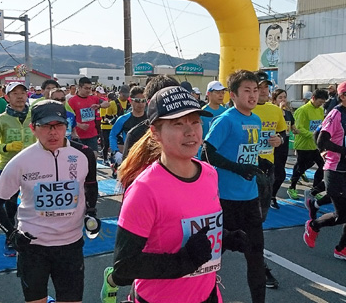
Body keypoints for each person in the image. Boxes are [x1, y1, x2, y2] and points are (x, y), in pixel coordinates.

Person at [101, 86, 244, 303]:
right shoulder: (144, 189)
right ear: (155, 133)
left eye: (195, 121)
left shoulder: (209, 173)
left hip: (208, 295)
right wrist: (183, 261)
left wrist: (227, 238)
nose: (190, 132)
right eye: (178, 123)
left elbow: (194, 228)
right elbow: (124, 267)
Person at [0, 100, 99, 303]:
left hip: (70, 245)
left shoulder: (83, 155)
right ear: (33, 128)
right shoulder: (21, 161)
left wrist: (91, 212)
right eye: (46, 127)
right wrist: (11, 234)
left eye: (58, 126)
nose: (53, 133)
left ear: (67, 127)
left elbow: (91, 186)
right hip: (33, 246)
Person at [201, 70, 267, 303]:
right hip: (224, 201)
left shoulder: (256, 120)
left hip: (250, 199)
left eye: (255, 90)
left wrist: (260, 168)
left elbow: (249, 154)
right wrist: (237, 169)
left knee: (256, 255)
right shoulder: (226, 119)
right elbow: (206, 152)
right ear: (233, 95)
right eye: (247, 91)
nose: (252, 95)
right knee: (212, 258)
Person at [303, 80, 346, 264]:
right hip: (335, 171)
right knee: (344, 215)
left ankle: (342, 248)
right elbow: (321, 141)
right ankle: (314, 225)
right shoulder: (335, 114)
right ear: (343, 96)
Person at [0, 82, 37, 256]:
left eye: (23, 92)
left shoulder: (34, 116)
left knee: (35, 203)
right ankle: (10, 236)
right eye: (15, 93)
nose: (20, 96)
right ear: (7, 97)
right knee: (9, 206)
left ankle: (37, 236)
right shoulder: (1, 120)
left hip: (34, 167)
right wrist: (6, 147)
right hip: (9, 167)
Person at [252, 71, 286, 289]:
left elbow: (282, 135)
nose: (264, 91)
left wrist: (279, 140)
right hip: (245, 171)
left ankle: (257, 263)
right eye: (259, 87)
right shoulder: (243, 110)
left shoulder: (275, 110)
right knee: (247, 222)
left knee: (258, 220)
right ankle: (259, 267)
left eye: (266, 87)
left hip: (267, 170)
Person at [121, 75, 181, 161]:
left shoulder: (188, 130)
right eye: (165, 100)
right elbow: (127, 171)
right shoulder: (136, 134)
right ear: (150, 102)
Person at [286, 88, 328, 200]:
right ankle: (292, 187)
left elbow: (320, 125)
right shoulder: (302, 110)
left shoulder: (320, 110)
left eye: (323, 103)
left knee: (323, 166)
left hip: (315, 145)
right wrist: (313, 134)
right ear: (313, 98)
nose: (321, 105)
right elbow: (298, 128)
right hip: (303, 145)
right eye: (320, 102)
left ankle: (315, 190)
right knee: (300, 168)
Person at [109, 87, 148, 178]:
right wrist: (116, 152)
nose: (141, 104)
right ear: (130, 101)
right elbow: (112, 135)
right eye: (137, 100)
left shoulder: (150, 118)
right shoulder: (123, 119)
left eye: (143, 100)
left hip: (147, 157)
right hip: (129, 157)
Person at [67, 77, 110, 155]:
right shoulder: (72, 101)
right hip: (78, 135)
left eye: (89, 88)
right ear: (79, 87)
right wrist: (79, 125)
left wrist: (99, 106)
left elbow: (107, 103)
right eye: (86, 88)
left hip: (92, 134)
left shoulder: (93, 98)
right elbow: (69, 118)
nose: (88, 90)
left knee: (94, 156)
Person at [271, 88, 297, 209]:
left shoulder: (288, 113)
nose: (283, 100)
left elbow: (293, 128)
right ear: (274, 99)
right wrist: (279, 110)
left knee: (280, 174)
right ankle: (269, 197)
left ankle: (271, 195)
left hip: (284, 146)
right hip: (272, 147)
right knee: (275, 173)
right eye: (280, 97)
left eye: (284, 97)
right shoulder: (272, 112)